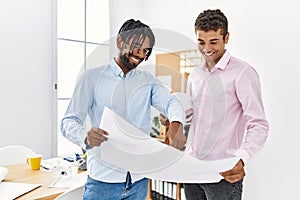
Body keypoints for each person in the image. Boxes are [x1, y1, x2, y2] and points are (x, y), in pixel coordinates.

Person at [60, 19, 186, 200]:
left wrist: (176, 124)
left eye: (146, 51)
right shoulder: (92, 78)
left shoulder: (147, 81)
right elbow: (68, 121)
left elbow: (171, 103)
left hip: (139, 181)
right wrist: (85, 136)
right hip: (103, 182)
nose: (140, 55)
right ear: (120, 42)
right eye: (137, 47)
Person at [161, 9, 269, 200]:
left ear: (226, 37)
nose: (206, 49)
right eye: (201, 42)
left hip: (223, 172)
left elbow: (259, 124)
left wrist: (241, 159)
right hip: (193, 168)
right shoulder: (196, 74)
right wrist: (174, 117)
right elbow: (195, 113)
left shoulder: (243, 73)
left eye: (213, 42)